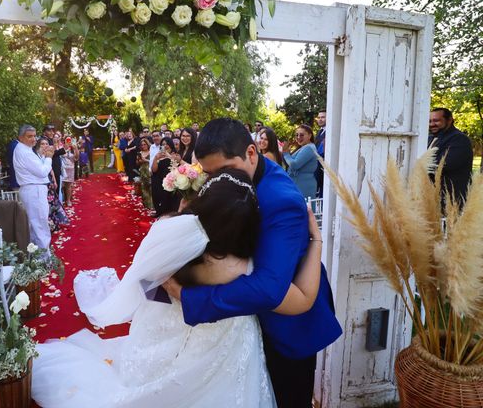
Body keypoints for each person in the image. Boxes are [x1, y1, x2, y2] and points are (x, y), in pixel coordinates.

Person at [31, 168, 324, 408]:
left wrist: (178, 296)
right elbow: (302, 301)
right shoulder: (244, 265)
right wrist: (316, 242)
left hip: (168, 336)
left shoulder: (171, 232)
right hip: (227, 348)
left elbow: (143, 283)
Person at [162, 118, 341, 408]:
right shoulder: (235, 177)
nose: (215, 181)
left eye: (223, 171)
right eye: (208, 173)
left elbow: (270, 287)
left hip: (286, 326)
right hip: (244, 319)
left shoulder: (280, 200)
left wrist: (188, 296)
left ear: (251, 153)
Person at [13, 124, 55, 251]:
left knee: (36, 225)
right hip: (33, 190)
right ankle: (44, 259)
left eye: (34, 136)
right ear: (20, 137)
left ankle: (38, 256)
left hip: (33, 189)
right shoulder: (24, 152)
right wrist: (48, 158)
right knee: (40, 225)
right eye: (29, 136)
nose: (33, 139)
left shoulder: (25, 150)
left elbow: (37, 168)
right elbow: (42, 172)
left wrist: (43, 156)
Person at [428, 107, 474, 207]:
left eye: (436, 120)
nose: (432, 124)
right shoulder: (430, 138)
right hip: (431, 197)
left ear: (449, 120)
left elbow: (442, 164)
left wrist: (420, 164)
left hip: (451, 200)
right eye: (430, 121)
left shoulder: (459, 139)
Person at [282, 124, 319, 200]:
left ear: (309, 136)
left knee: (304, 209)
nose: (298, 137)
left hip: (304, 185)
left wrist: (286, 153)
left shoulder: (309, 148)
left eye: (302, 135)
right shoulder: (304, 147)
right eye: (297, 135)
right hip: (300, 184)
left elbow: (294, 164)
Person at [150, 137, 180, 216]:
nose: (165, 146)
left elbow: (177, 165)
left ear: (170, 144)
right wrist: (156, 158)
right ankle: (159, 212)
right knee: (157, 196)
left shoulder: (175, 154)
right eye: (163, 144)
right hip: (158, 179)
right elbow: (154, 169)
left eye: (167, 144)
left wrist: (168, 155)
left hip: (170, 179)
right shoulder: (159, 155)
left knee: (167, 198)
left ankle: (167, 213)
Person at [60, 136, 79, 206]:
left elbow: (76, 158)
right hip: (62, 169)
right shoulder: (61, 148)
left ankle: (68, 200)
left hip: (70, 168)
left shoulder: (73, 148)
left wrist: (76, 148)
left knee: (68, 186)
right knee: (61, 186)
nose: (68, 141)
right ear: (64, 141)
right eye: (67, 140)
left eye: (70, 140)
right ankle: (61, 200)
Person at [136, 137, 153, 209]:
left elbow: (153, 161)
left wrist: (145, 160)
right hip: (142, 171)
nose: (143, 146)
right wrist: (139, 161)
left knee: (151, 188)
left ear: (147, 144)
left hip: (150, 171)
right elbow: (136, 163)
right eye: (142, 145)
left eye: (145, 144)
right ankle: (146, 205)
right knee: (144, 188)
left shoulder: (151, 151)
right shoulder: (140, 153)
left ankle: (152, 205)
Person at [314, 110, 326, 197]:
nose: (320, 119)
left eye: (323, 117)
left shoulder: (330, 132)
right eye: (319, 117)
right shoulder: (319, 132)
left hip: (323, 168)